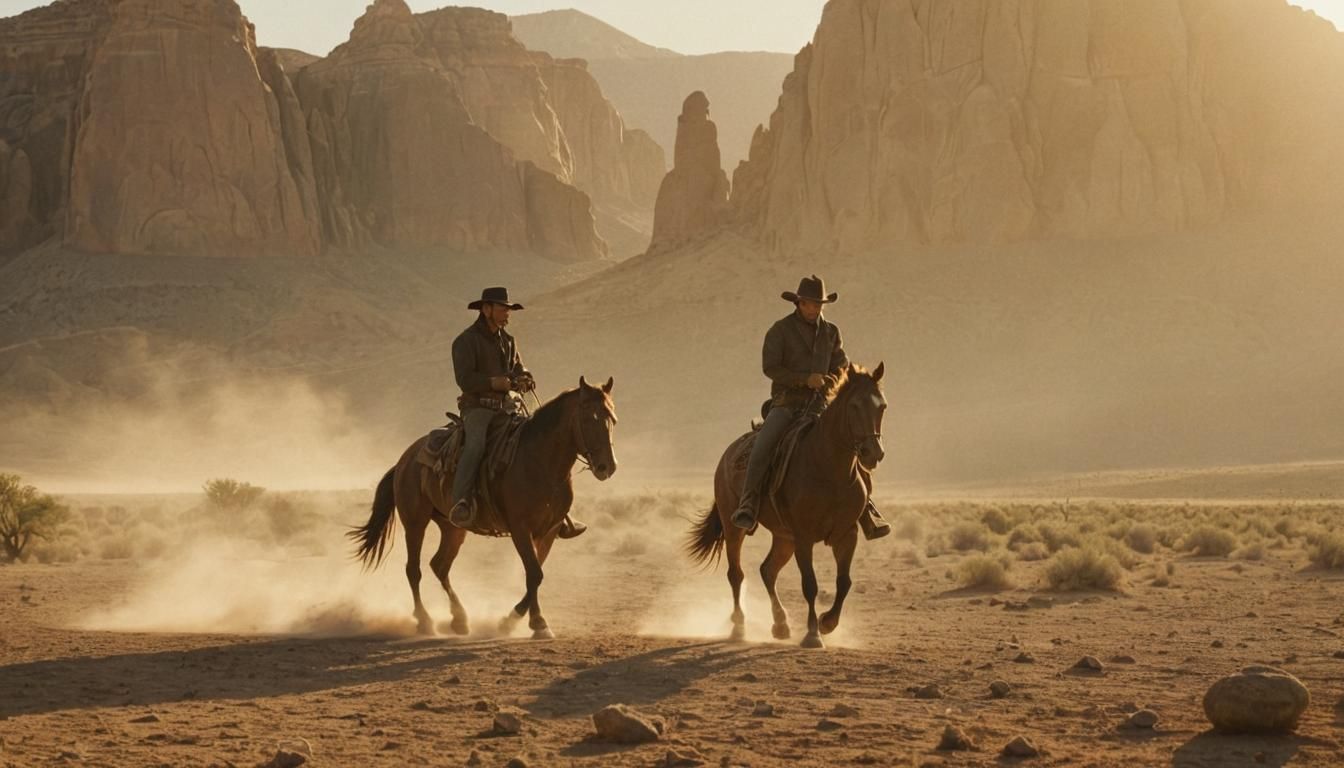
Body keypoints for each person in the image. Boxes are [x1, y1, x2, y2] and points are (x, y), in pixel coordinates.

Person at [730, 275, 891, 540]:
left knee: (851, 441)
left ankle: (866, 508)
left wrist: (844, 379)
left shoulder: (831, 332)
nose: (815, 308)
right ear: (799, 303)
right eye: (810, 304)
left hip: (821, 405)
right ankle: (748, 503)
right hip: (786, 404)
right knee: (763, 445)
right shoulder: (779, 331)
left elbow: (840, 363)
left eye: (819, 304)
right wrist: (805, 379)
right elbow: (770, 368)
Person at [447, 287, 586, 538]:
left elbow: (520, 367)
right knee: (476, 446)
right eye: (502, 309)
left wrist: (525, 378)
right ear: (486, 309)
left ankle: (557, 511)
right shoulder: (465, 341)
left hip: (508, 408)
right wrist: (494, 383)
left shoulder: (508, 341)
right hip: (477, 408)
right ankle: (462, 502)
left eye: (508, 310)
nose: (507, 315)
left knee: (539, 442)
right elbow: (465, 379)